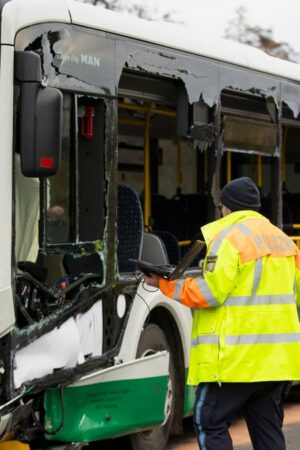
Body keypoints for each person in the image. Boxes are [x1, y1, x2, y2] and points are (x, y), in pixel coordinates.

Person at [143, 176, 300, 450]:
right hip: (277, 363)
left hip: (237, 360)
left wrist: (166, 284)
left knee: (209, 419)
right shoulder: (285, 242)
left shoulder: (228, 238)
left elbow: (210, 293)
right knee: (267, 431)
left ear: (225, 207)